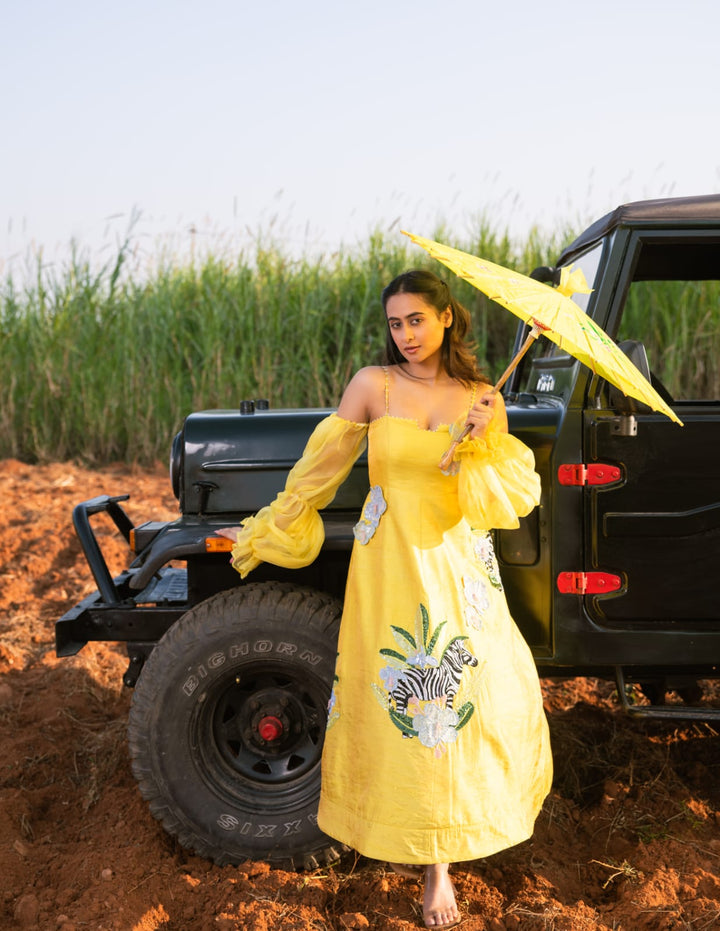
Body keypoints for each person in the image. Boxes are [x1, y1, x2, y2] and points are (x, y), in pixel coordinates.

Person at [218, 269, 553, 930]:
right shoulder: (374, 385)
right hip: (387, 562)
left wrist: (482, 440)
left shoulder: (483, 396)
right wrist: (268, 523)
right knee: (393, 696)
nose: (405, 335)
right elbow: (323, 466)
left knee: (458, 701)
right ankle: (379, 825)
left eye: (417, 321)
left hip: (455, 564)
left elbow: (493, 506)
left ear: (447, 318)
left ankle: (440, 867)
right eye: (395, 323)